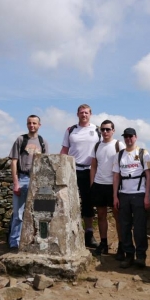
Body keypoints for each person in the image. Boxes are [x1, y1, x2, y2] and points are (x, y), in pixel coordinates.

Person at [60, 104, 101, 248]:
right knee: (69, 200)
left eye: (86, 113)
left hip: (90, 170)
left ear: (91, 114)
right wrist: (59, 166)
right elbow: (65, 149)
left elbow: (102, 149)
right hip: (72, 169)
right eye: (81, 112)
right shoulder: (71, 130)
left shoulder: (97, 130)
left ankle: (89, 234)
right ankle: (69, 232)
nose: (84, 115)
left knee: (88, 202)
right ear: (77, 114)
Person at [8, 115, 49, 252]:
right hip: (23, 178)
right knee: (18, 214)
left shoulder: (43, 142)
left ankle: (38, 242)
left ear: (39, 125)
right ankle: (15, 243)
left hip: (38, 181)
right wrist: (16, 182)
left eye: (34, 123)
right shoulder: (21, 140)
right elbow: (13, 161)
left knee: (41, 212)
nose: (32, 125)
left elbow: (46, 163)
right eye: (29, 123)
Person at [113, 127, 150, 268]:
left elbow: (149, 175)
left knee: (140, 227)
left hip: (139, 193)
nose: (128, 139)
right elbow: (116, 176)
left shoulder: (143, 153)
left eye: (131, 136)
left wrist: (147, 196)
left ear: (135, 137)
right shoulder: (119, 155)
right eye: (126, 136)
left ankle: (141, 256)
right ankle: (129, 254)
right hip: (123, 194)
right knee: (125, 226)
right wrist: (115, 196)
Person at [90, 120, 126, 259]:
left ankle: (122, 245)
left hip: (114, 184)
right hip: (99, 184)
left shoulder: (118, 145)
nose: (105, 132)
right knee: (101, 215)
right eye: (103, 130)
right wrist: (92, 184)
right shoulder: (97, 145)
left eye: (108, 129)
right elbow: (93, 165)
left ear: (113, 130)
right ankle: (103, 243)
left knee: (118, 216)